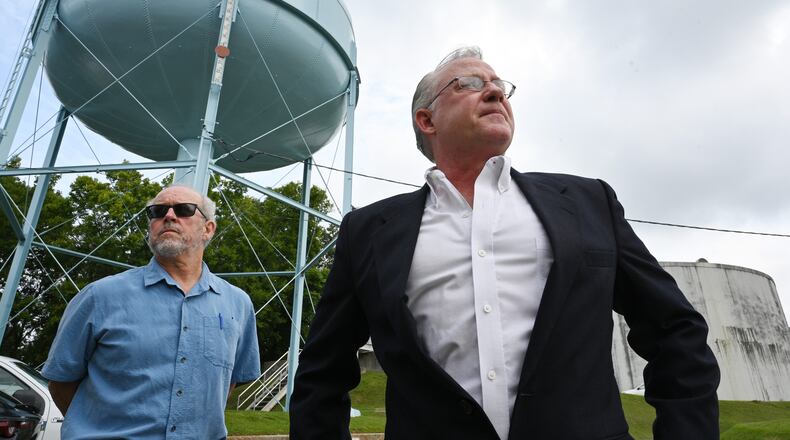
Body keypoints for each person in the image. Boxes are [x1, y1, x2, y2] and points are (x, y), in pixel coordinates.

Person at [288, 47, 720, 440]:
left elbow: (674, 331)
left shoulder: (590, 203)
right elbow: (322, 372)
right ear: (427, 120)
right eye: (471, 84)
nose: (494, 90)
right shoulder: (369, 230)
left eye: (499, 84)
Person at [42, 185, 261, 439]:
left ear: (208, 229)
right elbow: (61, 381)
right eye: (157, 211)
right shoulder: (99, 296)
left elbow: (227, 384)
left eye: (184, 210)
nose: (168, 216)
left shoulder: (238, 304)